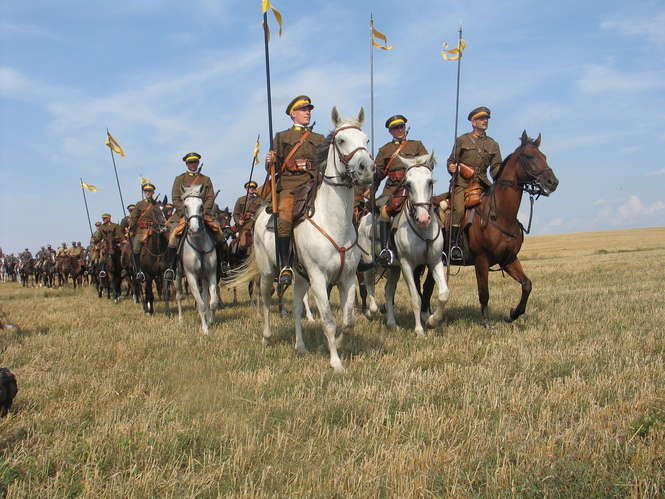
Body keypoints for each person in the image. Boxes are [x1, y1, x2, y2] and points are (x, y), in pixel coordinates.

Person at [264, 95, 325, 286]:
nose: (307, 112)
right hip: (290, 185)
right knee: (285, 215)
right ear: (293, 114)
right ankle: (285, 265)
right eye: (303, 110)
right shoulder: (282, 137)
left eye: (309, 109)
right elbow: (272, 168)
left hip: (313, 183)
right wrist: (270, 161)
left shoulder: (319, 138)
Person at [446, 106, 502, 258]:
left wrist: (501, 177)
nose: (485, 121)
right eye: (481, 119)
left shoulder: (493, 144)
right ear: (473, 121)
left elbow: (496, 168)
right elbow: (451, 161)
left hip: (483, 184)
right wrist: (451, 167)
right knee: (458, 210)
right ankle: (454, 246)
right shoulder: (462, 140)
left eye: (486, 119)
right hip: (462, 184)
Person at [373, 114, 428, 265]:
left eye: (401, 126)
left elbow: (428, 164)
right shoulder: (385, 150)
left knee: (435, 209)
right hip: (392, 189)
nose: (399, 130)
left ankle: (439, 248)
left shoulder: (417, 145)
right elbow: (378, 175)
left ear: (405, 127)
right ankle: (386, 250)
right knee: (384, 210)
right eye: (395, 128)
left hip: (414, 188)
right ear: (390, 131)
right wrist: (373, 174)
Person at [165, 153, 224, 280]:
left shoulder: (206, 179)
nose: (192, 164)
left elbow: (210, 197)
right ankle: (171, 267)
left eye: (195, 162)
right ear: (186, 164)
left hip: (202, 213)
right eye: (190, 162)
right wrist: (185, 213)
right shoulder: (179, 179)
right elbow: (175, 198)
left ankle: (223, 264)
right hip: (184, 215)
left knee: (219, 231)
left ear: (198, 163)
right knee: (173, 235)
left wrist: (203, 211)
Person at [128, 183, 159, 281]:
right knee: (136, 248)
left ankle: (169, 268)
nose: (148, 193)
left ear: (153, 192)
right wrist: (131, 226)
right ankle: (139, 271)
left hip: (154, 229)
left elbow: (161, 217)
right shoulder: (139, 204)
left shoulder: (156, 204)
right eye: (146, 191)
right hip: (141, 230)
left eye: (149, 191)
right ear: (144, 192)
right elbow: (133, 217)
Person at [232, 180, 262, 248]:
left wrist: (258, 194)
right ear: (246, 189)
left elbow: (265, 206)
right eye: (249, 187)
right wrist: (238, 221)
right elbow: (235, 213)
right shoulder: (240, 199)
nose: (251, 188)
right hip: (244, 224)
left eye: (253, 187)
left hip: (256, 222)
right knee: (243, 243)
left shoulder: (259, 199)